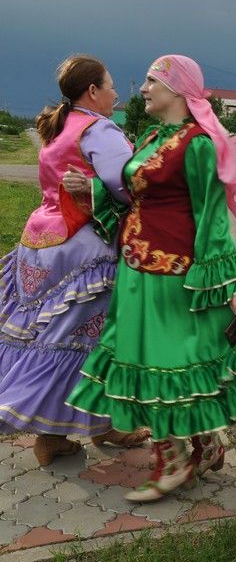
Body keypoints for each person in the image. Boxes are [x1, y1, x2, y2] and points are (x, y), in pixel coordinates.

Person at [65, 55, 236, 502]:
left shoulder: (198, 145)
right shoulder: (152, 136)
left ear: (176, 88)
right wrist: (92, 190)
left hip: (172, 277)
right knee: (136, 362)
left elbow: (210, 221)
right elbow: (136, 197)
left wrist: (233, 285)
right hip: (135, 273)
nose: (143, 88)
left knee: (164, 367)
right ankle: (205, 445)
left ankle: (171, 461)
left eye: (152, 81)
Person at [0, 55, 149, 466]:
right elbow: (128, 186)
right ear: (93, 92)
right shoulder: (99, 130)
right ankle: (95, 428)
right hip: (85, 248)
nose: (118, 94)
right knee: (91, 340)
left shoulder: (58, 126)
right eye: (112, 86)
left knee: (49, 337)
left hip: (39, 242)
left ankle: (74, 431)